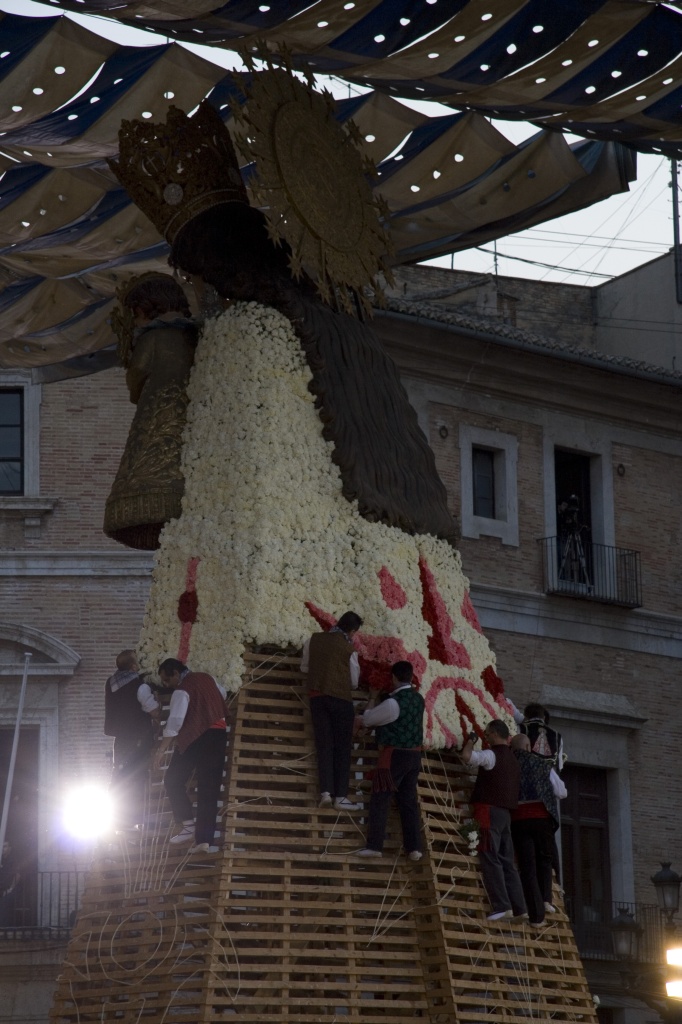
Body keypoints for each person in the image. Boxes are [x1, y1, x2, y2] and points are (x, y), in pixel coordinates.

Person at [155, 658, 229, 853]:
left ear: (176, 674)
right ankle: (205, 840)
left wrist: (161, 751)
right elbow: (222, 693)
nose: (165, 685)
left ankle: (188, 825)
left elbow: (176, 722)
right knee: (209, 787)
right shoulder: (207, 678)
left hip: (195, 736)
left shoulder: (182, 690)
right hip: (219, 735)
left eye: (166, 680)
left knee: (172, 779)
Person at [355, 661, 425, 861]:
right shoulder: (419, 699)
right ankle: (414, 848)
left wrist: (372, 698)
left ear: (394, 677)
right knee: (408, 801)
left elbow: (368, 720)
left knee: (380, 797)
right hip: (414, 755)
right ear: (411, 677)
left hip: (395, 755)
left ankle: (375, 845)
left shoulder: (393, 703)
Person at [460, 720, 527, 921]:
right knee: (507, 861)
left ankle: (501, 905)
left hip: (488, 812)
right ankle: (519, 907)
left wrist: (471, 741)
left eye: (488, 734)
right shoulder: (514, 760)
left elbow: (466, 756)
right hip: (506, 815)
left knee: (490, 858)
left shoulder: (492, 755)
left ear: (495, 734)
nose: (486, 737)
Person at [301, 612, 362, 810]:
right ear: (352, 631)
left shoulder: (314, 639)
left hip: (317, 698)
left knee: (324, 745)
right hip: (340, 699)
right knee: (342, 748)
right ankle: (341, 797)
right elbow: (354, 683)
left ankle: (325, 793)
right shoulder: (349, 649)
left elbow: (304, 668)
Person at [510, 734, 568, 926]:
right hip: (541, 819)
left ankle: (536, 916)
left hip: (518, 820)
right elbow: (561, 792)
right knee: (544, 859)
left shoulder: (508, 762)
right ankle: (546, 899)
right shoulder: (542, 764)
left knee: (527, 867)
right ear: (528, 746)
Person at [104, 649, 160, 829]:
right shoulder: (139, 686)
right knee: (139, 776)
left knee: (120, 775)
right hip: (139, 739)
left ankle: (117, 818)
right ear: (134, 666)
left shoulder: (111, 683)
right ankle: (137, 819)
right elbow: (153, 711)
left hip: (120, 739)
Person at [510, 702, 564, 768]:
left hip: (525, 772)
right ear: (544, 717)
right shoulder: (557, 736)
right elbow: (559, 765)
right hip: (548, 775)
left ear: (526, 716)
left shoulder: (521, 728)